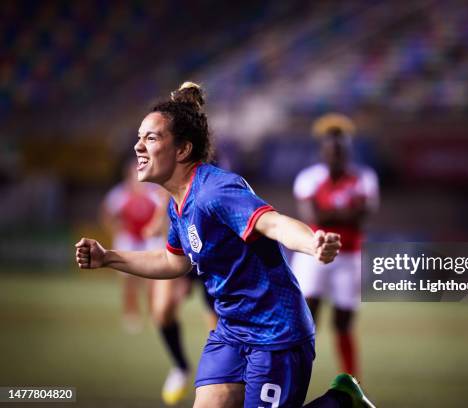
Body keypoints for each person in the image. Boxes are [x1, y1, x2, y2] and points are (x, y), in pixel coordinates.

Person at [75, 82, 375, 407]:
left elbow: (272, 222)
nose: (138, 147)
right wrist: (109, 257)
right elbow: (173, 262)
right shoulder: (177, 203)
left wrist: (312, 242)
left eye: (150, 138)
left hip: (275, 332)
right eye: (139, 137)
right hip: (231, 330)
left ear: (182, 150)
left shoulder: (214, 191)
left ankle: (342, 402)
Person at [102, 160, 218, 405]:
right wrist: (157, 221)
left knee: (216, 324)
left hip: (208, 250)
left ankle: (217, 377)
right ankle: (180, 366)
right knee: (162, 311)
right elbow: (167, 190)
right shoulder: (165, 164)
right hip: (178, 247)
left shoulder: (214, 170)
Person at [291, 113, 379, 377]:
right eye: (332, 149)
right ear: (323, 151)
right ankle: (295, 375)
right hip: (313, 255)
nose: (337, 154)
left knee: (344, 322)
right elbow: (313, 216)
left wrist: (330, 213)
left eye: (341, 149)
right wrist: (346, 213)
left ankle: (352, 382)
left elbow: (363, 216)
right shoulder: (309, 177)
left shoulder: (364, 176)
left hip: (350, 257)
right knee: (307, 320)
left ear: (348, 150)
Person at [100, 158, 165, 333]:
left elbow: (165, 212)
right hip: (128, 239)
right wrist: (115, 229)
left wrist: (157, 229)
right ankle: (131, 315)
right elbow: (106, 213)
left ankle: (154, 315)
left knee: (153, 279)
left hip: (149, 239)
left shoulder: (154, 192)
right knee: (129, 281)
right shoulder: (119, 193)